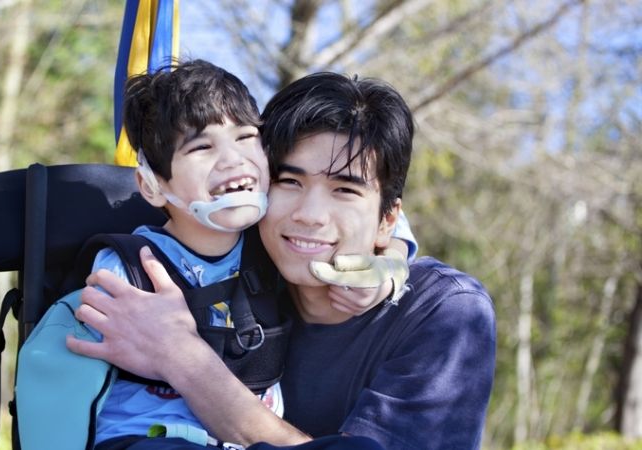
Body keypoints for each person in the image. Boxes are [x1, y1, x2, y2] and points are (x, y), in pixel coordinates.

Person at [67, 72, 496, 449]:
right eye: (289, 181)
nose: (308, 215)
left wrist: (180, 357)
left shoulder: (446, 313)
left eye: (344, 190)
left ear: (387, 218)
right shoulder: (238, 254)